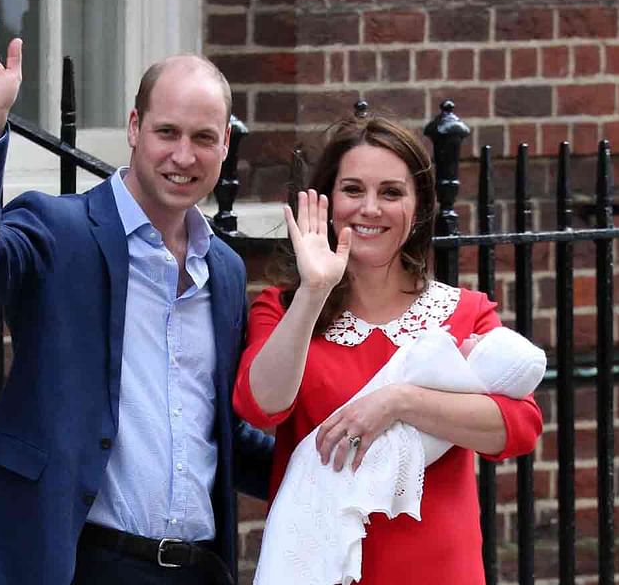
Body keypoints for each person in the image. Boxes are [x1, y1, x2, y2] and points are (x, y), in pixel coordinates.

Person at [0, 3, 273, 585]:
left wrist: (343, 462)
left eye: (203, 138)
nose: (183, 156)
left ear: (223, 149)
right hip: (79, 562)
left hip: (196, 568)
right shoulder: (59, 231)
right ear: (135, 127)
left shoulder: (227, 270)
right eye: (167, 132)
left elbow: (221, 428)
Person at [233, 113, 543, 584]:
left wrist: (399, 402)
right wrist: (315, 290)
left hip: (440, 569)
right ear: (328, 202)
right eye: (353, 190)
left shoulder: (463, 313)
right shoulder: (283, 308)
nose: (370, 208)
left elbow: (519, 427)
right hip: (322, 570)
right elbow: (261, 406)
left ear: (418, 209)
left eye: (391, 193)